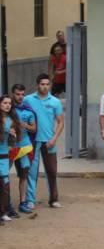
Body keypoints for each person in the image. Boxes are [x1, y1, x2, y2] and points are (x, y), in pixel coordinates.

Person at [24, 74, 64, 209]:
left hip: (49, 141)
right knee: (31, 171)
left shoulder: (55, 102)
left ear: (50, 85)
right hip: (33, 141)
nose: (45, 87)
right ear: (37, 85)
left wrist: (54, 138)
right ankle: (30, 200)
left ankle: (53, 200)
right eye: (42, 84)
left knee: (52, 171)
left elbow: (60, 122)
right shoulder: (28, 99)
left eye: (47, 84)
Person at [11, 85, 35, 213]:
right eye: (17, 94)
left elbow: (34, 128)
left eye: (22, 94)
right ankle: (6, 204)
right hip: (9, 148)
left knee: (24, 175)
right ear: (13, 94)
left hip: (25, 148)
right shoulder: (8, 109)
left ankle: (23, 202)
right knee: (4, 176)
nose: (20, 97)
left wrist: (25, 125)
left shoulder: (28, 111)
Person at [0, 95, 18, 222]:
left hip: (4, 156)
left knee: (5, 185)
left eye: (9, 103)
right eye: (5, 103)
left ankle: (3, 212)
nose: (7, 105)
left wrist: (13, 137)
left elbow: (13, 142)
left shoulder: (12, 120)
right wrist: (7, 130)